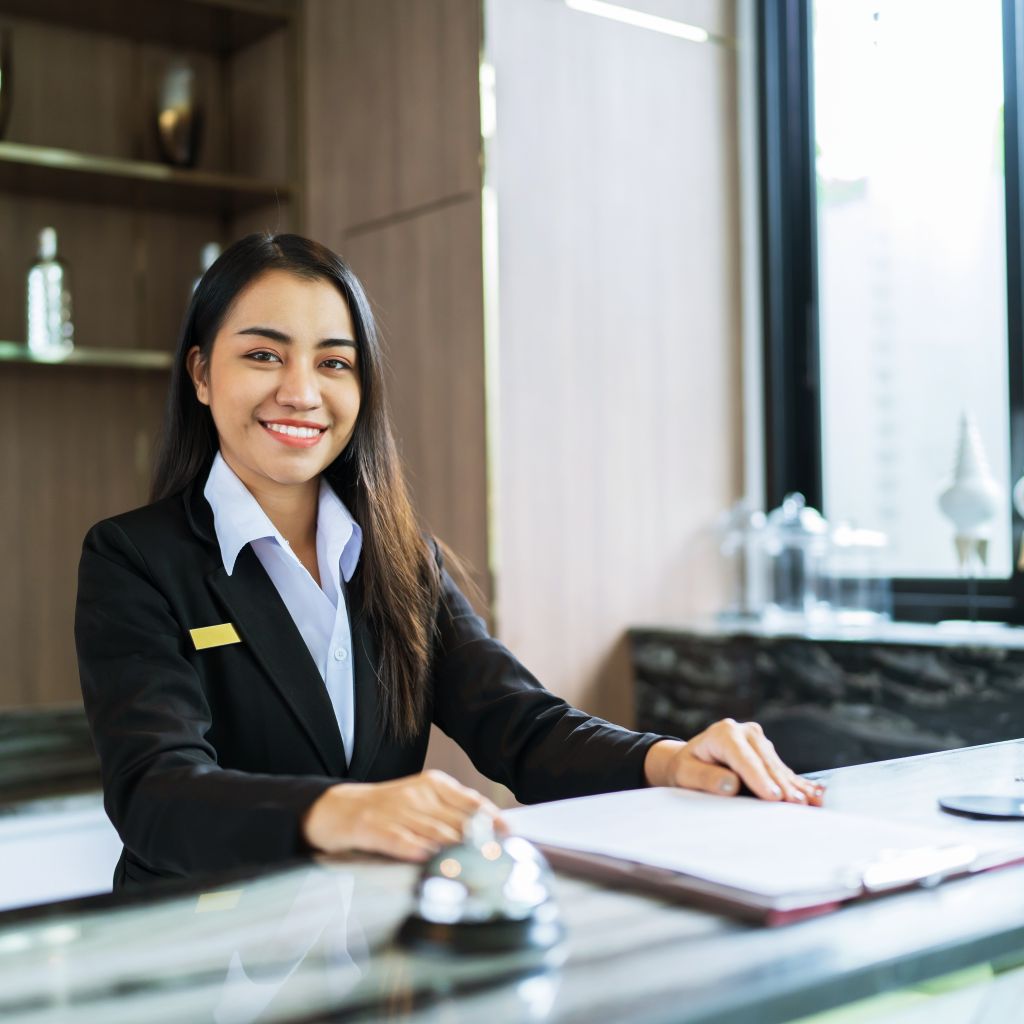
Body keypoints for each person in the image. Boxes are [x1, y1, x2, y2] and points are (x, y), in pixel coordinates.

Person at [76, 233, 823, 889]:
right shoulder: (135, 557)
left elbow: (522, 727)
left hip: (368, 946)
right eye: (264, 355)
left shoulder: (401, 559)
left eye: (334, 363)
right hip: (202, 960)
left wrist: (668, 760)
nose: (301, 392)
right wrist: (344, 811)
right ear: (202, 375)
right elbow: (156, 792)